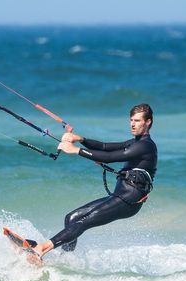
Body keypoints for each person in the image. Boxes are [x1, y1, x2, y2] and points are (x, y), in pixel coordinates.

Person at [29, 103, 158, 259]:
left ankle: (40, 249)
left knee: (82, 222)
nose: (132, 124)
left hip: (129, 200)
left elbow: (110, 158)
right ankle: (66, 259)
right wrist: (80, 139)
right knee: (72, 218)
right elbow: (104, 147)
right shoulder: (134, 142)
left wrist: (76, 150)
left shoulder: (146, 146)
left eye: (137, 120)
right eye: (131, 120)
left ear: (148, 122)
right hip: (120, 196)